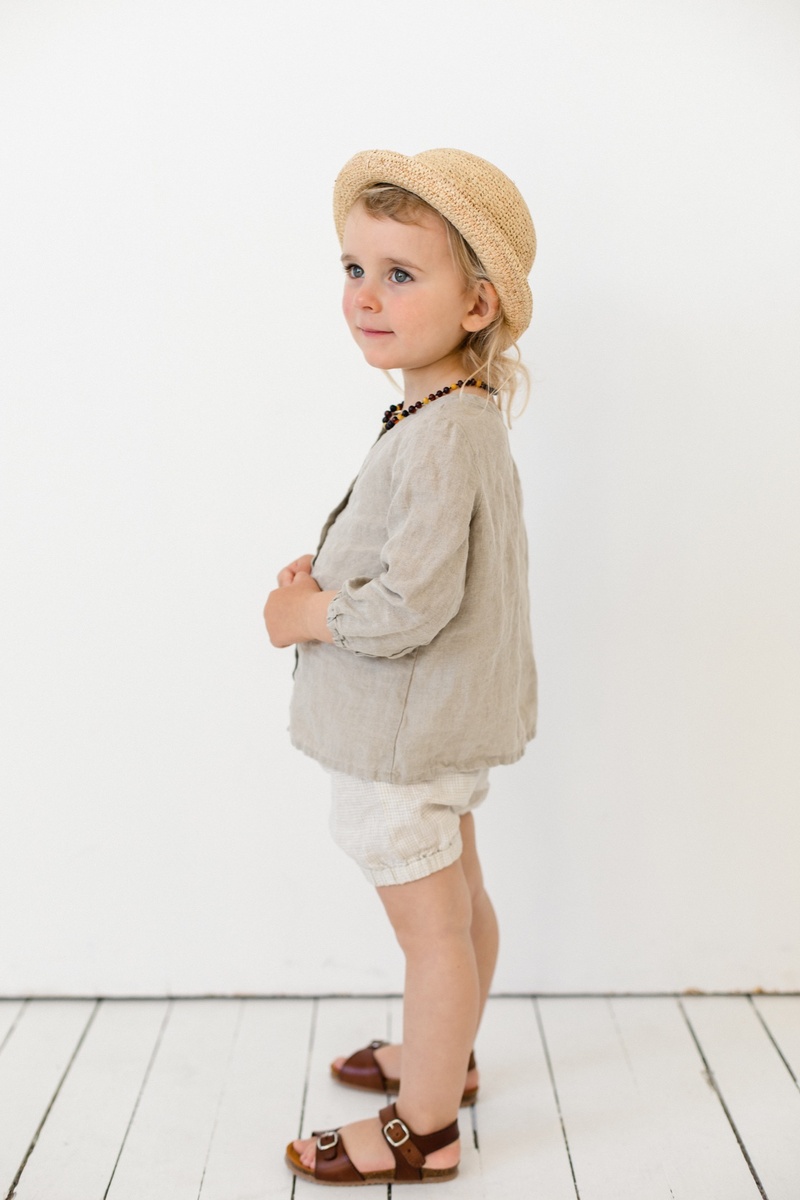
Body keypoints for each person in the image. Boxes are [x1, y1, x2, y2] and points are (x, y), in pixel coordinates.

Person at [263, 147, 537, 1187]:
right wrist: (331, 571)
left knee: (433, 935)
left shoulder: (441, 435)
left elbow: (412, 605)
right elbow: (423, 564)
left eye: (399, 274)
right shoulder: (451, 415)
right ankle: (443, 1055)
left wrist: (306, 613)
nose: (365, 296)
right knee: (458, 904)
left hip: (400, 737)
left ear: (476, 304)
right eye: (353, 269)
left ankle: (422, 1127)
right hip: (442, 722)